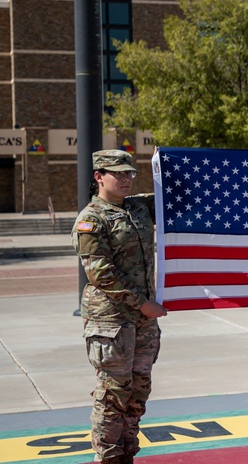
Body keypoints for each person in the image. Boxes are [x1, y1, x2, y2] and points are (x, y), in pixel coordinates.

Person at [72, 149, 168, 464]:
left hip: (142, 322)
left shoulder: (139, 207)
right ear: (99, 177)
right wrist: (142, 304)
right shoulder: (91, 219)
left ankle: (127, 454)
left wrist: (173, 163)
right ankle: (108, 458)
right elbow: (101, 275)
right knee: (113, 395)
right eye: (118, 174)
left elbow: (174, 197)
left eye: (129, 173)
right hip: (111, 322)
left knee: (138, 392)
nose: (126, 179)